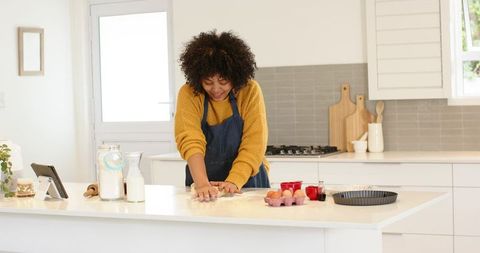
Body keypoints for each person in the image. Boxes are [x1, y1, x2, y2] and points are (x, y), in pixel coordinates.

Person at [175, 30, 270, 201]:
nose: (216, 89)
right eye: (208, 82)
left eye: (224, 81)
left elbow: (254, 143)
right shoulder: (189, 93)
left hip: (247, 182)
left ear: (235, 76)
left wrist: (234, 180)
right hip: (203, 181)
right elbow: (190, 140)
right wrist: (203, 184)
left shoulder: (249, 91)